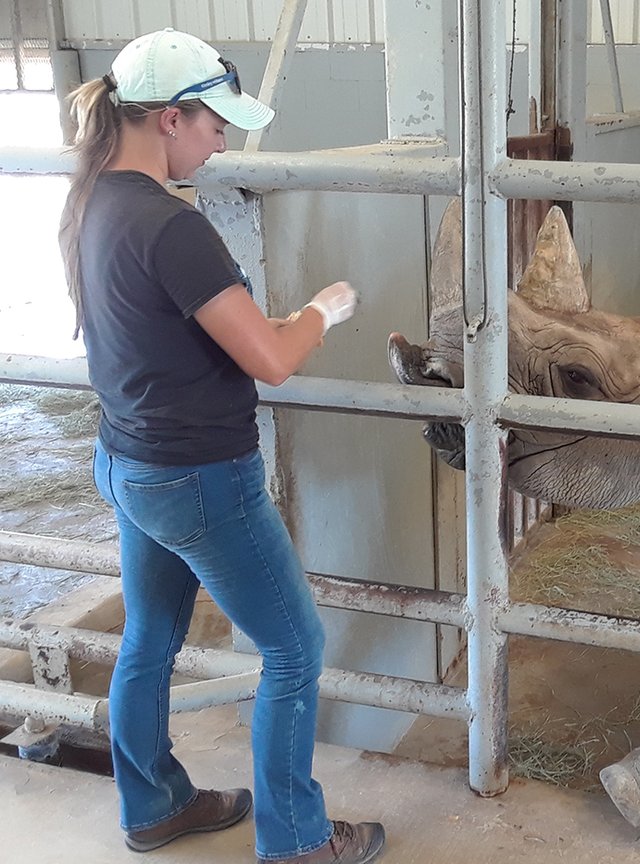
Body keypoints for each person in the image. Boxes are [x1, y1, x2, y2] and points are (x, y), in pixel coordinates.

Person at [58, 28, 385, 864]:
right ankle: (297, 841)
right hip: (199, 476)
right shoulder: (172, 226)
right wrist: (320, 312)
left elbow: (187, 330)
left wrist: (270, 324)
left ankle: (155, 807)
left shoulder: (93, 203)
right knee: (294, 649)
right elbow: (271, 359)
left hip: (129, 461)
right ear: (170, 119)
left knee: (149, 639)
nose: (221, 144)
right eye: (214, 126)